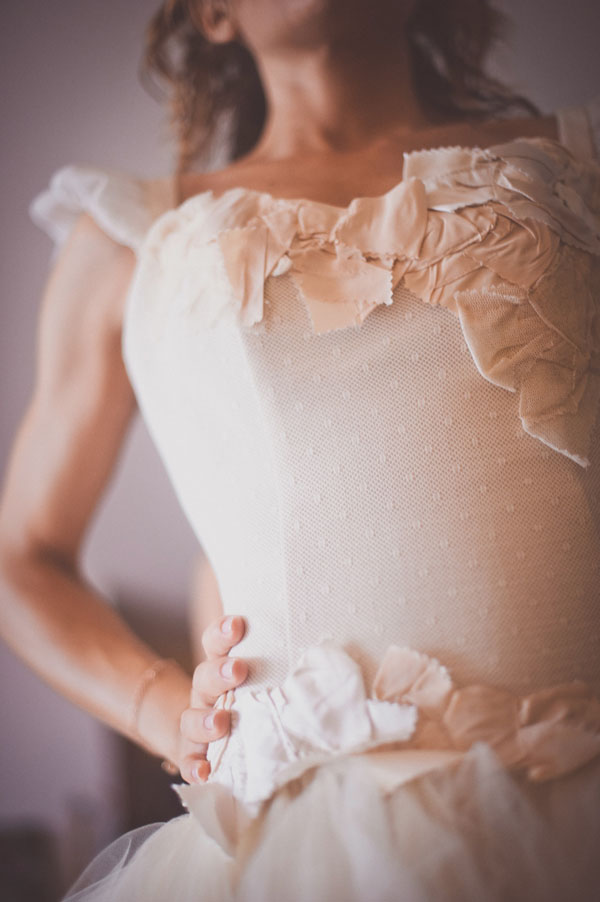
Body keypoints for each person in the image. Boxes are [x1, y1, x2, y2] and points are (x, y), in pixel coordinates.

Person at [1, 0, 599, 899]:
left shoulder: (579, 162)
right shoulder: (128, 237)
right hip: (312, 839)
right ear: (213, 15)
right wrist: (164, 709)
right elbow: (24, 556)